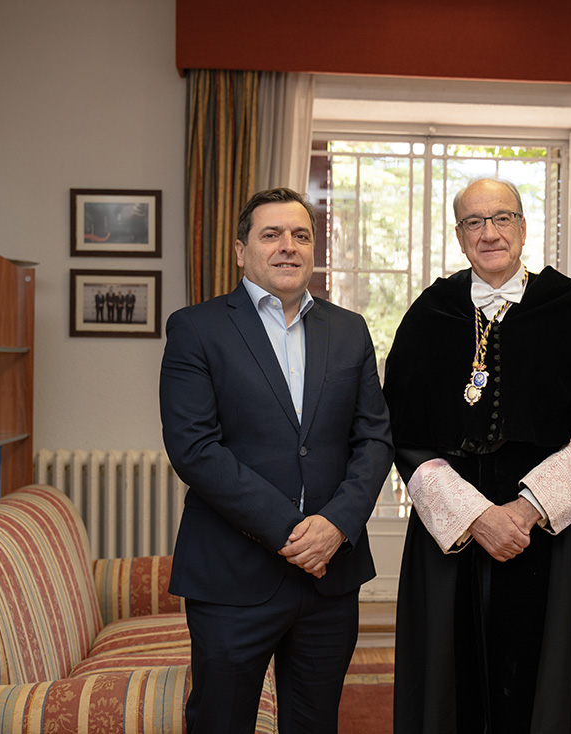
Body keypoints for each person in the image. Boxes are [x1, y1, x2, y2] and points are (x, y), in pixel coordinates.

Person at [383, 178, 571, 733]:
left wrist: (524, 512)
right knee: (449, 682)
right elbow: (403, 437)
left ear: (523, 228)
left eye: (502, 218)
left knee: (542, 679)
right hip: (453, 527)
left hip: (546, 527)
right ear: (459, 236)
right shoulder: (431, 314)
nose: (490, 233)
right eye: (474, 222)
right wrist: (477, 517)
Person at [160, 187, 394, 734]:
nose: (288, 246)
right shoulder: (196, 328)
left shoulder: (349, 329)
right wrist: (294, 533)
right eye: (272, 234)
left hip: (330, 577)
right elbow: (194, 448)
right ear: (241, 250)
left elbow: (375, 439)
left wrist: (335, 526)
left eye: (301, 235)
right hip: (231, 576)